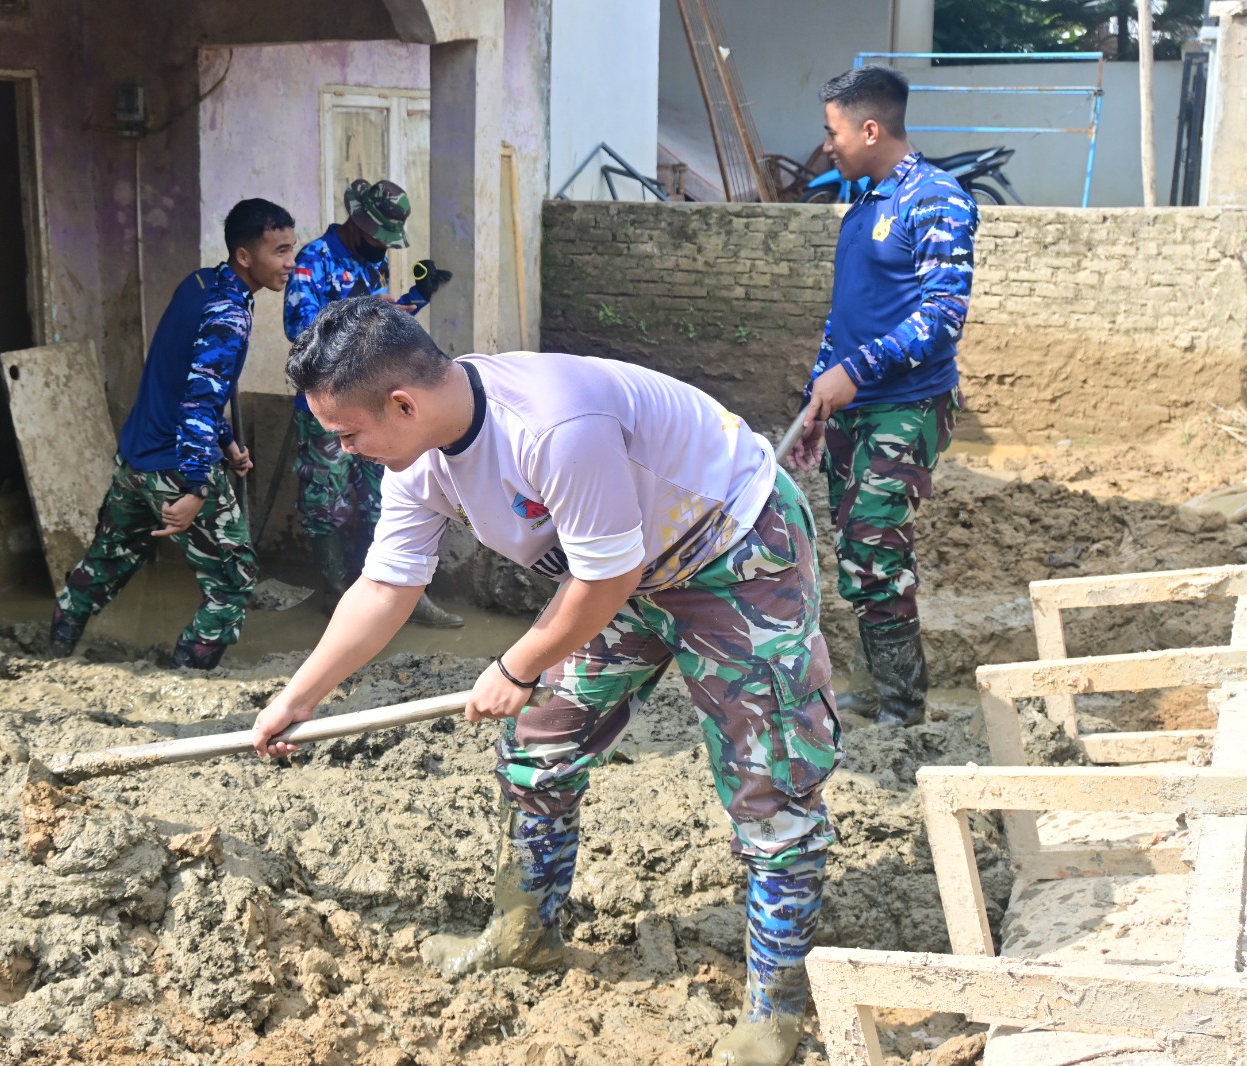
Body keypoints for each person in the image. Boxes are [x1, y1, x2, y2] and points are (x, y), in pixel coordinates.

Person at [247, 298, 840, 1066]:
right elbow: (387, 585)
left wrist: (515, 663)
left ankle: (775, 1012)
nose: (344, 449)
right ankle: (524, 932)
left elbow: (608, 572)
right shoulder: (416, 456)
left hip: (733, 550)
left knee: (772, 783)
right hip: (626, 572)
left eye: (348, 433)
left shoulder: (554, 424)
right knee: (540, 747)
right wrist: (298, 698)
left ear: (403, 402)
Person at [784, 66, 979, 728]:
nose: (827, 145)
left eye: (832, 131)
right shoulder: (863, 203)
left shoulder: (938, 200)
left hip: (909, 403)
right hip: (854, 405)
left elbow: (943, 316)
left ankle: (902, 712)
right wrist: (820, 393)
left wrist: (857, 372)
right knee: (857, 553)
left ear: (870, 128)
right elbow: (846, 317)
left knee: (874, 546)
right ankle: (877, 691)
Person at [47, 199, 297, 670]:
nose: (290, 263)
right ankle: (188, 675)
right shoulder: (230, 315)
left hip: (136, 456)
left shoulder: (200, 283)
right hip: (174, 466)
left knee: (108, 559)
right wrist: (198, 488)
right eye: (280, 251)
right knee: (233, 582)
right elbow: (198, 403)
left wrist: (227, 443)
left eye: (292, 249)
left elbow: (188, 381)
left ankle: (56, 647)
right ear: (245, 256)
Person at [283, 178, 462, 627]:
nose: (381, 248)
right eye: (375, 237)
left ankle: (400, 595)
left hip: (376, 407)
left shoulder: (373, 261)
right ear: (356, 223)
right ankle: (337, 595)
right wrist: (362, 305)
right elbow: (300, 327)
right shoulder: (314, 259)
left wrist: (415, 298)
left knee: (382, 498)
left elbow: (373, 335)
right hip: (330, 411)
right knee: (327, 501)